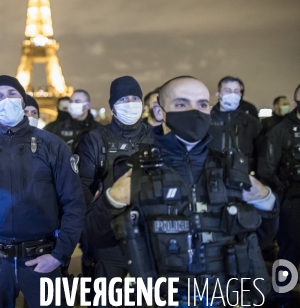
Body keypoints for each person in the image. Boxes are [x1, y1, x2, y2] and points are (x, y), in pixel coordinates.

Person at [86, 76, 277, 306]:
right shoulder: (133, 170)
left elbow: (263, 237)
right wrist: (111, 201)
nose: (194, 111)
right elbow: (96, 237)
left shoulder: (231, 170)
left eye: (202, 104)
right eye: (181, 104)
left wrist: (266, 201)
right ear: (161, 111)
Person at [0, 75, 85, 308]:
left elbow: (74, 203)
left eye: (12, 93)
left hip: (42, 258)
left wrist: (59, 255)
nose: (6, 99)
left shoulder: (53, 146)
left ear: (23, 100)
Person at [75, 76, 155, 289]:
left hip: (149, 234)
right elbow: (83, 184)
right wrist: (94, 221)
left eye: (134, 98)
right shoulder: (95, 139)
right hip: (108, 235)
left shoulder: (156, 137)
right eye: (123, 100)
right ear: (112, 107)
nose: (130, 103)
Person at [258, 84, 300, 308]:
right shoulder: (280, 131)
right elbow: (266, 170)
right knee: (290, 254)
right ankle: (281, 297)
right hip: (292, 202)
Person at [208, 76, 262, 172]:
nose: (232, 94)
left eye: (236, 91)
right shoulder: (207, 120)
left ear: (240, 95)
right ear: (218, 94)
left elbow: (260, 153)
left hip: (242, 175)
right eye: (228, 90)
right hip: (211, 174)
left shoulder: (251, 122)